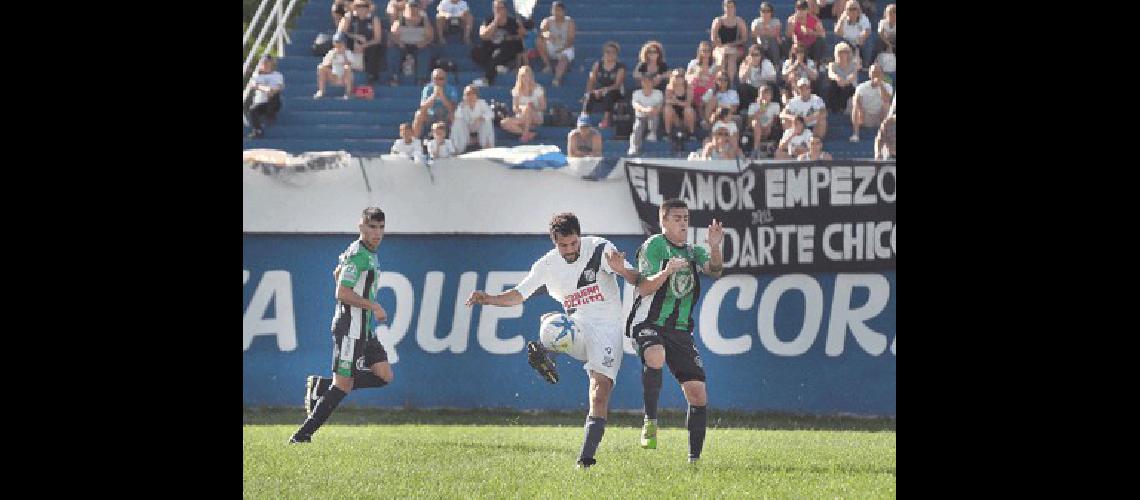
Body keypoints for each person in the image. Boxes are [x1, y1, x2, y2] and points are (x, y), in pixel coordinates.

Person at [465, 213, 641, 468]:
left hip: (607, 330)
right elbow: (518, 295)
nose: (569, 250)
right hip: (577, 327)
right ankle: (548, 352)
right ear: (554, 242)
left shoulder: (601, 248)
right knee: (551, 326)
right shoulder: (547, 265)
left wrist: (622, 269)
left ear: (580, 237)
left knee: (599, 394)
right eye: (563, 245)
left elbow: (637, 280)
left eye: (573, 244)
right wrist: (488, 298)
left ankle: (586, 459)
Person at [627, 199, 723, 463]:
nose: (683, 223)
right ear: (664, 221)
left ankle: (694, 460)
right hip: (650, 322)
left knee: (697, 393)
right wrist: (666, 271)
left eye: (686, 218)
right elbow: (643, 288)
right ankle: (650, 420)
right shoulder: (655, 246)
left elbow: (715, 271)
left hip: (680, 330)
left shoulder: (693, 252)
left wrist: (714, 247)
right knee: (655, 355)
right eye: (677, 218)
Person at [290, 207, 393, 444]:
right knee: (343, 386)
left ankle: (323, 386)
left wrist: (366, 306)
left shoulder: (367, 251)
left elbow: (337, 272)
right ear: (361, 227)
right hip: (350, 329)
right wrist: (373, 306)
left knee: (384, 375)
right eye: (371, 227)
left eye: (381, 227)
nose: (377, 233)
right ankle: (301, 436)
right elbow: (342, 292)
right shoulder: (359, 254)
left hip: (365, 329)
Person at [473, 0, 527, 86]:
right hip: (491, 48)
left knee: (508, 48)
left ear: (505, 9)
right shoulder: (489, 20)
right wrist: (495, 23)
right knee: (476, 52)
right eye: (496, 8)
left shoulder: (512, 21)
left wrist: (512, 36)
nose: (498, 11)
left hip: (506, 50)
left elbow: (523, 34)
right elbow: (483, 35)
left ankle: (488, 79)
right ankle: (500, 67)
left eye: (500, 8)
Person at [390, 0, 435, 86]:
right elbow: (393, 35)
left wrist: (424, 42)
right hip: (403, 45)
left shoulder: (424, 21)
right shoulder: (399, 20)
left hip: (419, 45)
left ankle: (421, 78)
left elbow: (430, 36)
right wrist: (399, 42)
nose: (412, 10)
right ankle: (394, 76)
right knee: (393, 52)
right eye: (410, 7)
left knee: (425, 52)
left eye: (415, 7)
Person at [340, 0, 386, 84]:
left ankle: (371, 76)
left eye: (364, 6)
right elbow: (341, 33)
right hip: (352, 42)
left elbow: (377, 39)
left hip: (369, 44)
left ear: (368, 8)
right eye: (358, 6)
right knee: (342, 41)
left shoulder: (374, 19)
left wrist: (364, 45)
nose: (361, 9)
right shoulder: (349, 17)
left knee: (375, 48)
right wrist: (356, 37)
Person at [585, 41, 627, 129]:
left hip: (615, 91)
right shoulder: (598, 65)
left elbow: (617, 85)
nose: (610, 54)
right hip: (599, 90)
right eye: (608, 52)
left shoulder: (620, 67)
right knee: (590, 96)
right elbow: (591, 80)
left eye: (613, 52)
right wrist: (590, 92)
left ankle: (606, 119)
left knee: (609, 95)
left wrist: (605, 90)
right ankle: (584, 118)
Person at [500, 66, 546, 143]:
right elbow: (515, 108)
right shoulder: (516, 90)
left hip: (536, 116)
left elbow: (543, 106)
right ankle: (527, 133)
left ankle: (525, 136)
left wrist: (533, 107)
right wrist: (522, 108)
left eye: (528, 75)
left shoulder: (538, 89)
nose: (526, 78)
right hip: (522, 116)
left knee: (528, 108)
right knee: (503, 123)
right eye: (523, 76)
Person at [537, 1, 576, 87]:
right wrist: (547, 35)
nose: (557, 13)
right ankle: (548, 65)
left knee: (564, 58)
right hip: (552, 46)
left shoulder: (570, 22)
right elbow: (541, 32)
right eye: (555, 10)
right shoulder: (547, 21)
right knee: (539, 41)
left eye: (559, 10)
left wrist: (562, 49)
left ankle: (557, 78)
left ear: (563, 11)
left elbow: (571, 40)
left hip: (565, 47)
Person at [849, 63, 892, 142]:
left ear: (882, 75)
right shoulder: (861, 87)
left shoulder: (887, 86)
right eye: (874, 73)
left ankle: (886, 135)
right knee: (855, 106)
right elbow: (856, 100)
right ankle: (855, 134)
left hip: (880, 116)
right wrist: (861, 111)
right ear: (869, 74)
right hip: (865, 116)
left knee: (887, 106)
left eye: (878, 73)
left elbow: (887, 99)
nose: (876, 75)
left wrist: (881, 86)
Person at [413, 68, 459, 138]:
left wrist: (442, 96)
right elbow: (422, 107)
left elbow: (452, 108)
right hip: (431, 115)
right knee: (418, 114)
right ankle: (414, 141)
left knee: (455, 115)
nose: (438, 81)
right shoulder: (427, 88)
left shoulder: (451, 89)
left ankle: (455, 140)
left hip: (446, 115)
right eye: (435, 78)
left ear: (445, 79)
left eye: (441, 78)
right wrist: (434, 96)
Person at [710, 0, 748, 85]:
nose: (729, 9)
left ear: (735, 8)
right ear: (724, 8)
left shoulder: (739, 21)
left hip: (735, 48)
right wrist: (721, 46)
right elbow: (713, 38)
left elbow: (744, 38)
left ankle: (729, 84)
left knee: (731, 58)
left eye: (731, 7)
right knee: (722, 58)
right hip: (720, 48)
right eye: (727, 6)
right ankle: (720, 82)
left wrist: (732, 44)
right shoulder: (718, 20)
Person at [246, 55, 284, 139]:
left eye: (268, 63)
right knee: (252, 110)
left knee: (275, 95)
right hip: (260, 103)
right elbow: (253, 85)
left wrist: (270, 91)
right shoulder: (256, 76)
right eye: (264, 63)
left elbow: (279, 87)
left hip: (273, 101)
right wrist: (265, 89)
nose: (266, 65)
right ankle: (258, 130)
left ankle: (271, 115)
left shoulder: (278, 75)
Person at [451, 84, 496, 153]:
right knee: (457, 122)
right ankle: (458, 149)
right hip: (466, 129)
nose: (470, 96)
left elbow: (491, 114)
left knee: (487, 121)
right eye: (467, 94)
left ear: (476, 95)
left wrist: (481, 118)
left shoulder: (482, 103)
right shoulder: (461, 105)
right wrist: (462, 106)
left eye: (473, 93)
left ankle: (487, 147)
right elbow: (457, 117)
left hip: (479, 128)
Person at [629, 73, 664, 155]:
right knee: (637, 127)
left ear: (653, 83)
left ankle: (652, 133)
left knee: (654, 118)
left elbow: (659, 106)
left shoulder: (658, 93)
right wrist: (645, 110)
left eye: (649, 81)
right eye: (644, 81)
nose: (647, 84)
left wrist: (651, 110)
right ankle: (634, 147)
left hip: (654, 115)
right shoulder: (636, 93)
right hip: (640, 117)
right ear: (641, 83)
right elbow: (636, 105)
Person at [685, 41, 720, 124]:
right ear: (699, 51)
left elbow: (715, 80)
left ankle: (705, 120)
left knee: (712, 96)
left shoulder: (715, 65)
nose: (706, 53)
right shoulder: (693, 63)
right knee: (692, 82)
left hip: (708, 90)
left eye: (708, 51)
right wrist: (697, 75)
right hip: (695, 88)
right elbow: (687, 77)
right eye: (703, 50)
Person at [736, 43, 777, 112]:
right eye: (752, 55)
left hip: (764, 88)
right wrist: (749, 66)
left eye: (756, 55)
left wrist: (762, 77)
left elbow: (773, 78)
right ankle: (746, 109)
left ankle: (769, 107)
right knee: (742, 88)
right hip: (752, 89)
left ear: (761, 56)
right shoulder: (745, 63)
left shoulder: (766, 63)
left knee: (773, 86)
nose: (754, 57)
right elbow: (742, 80)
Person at [315, 33, 355, 99]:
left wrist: (344, 55)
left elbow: (350, 65)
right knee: (320, 67)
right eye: (336, 43)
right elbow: (325, 65)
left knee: (347, 67)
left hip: (343, 77)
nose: (338, 45)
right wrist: (333, 57)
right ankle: (321, 91)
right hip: (333, 77)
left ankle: (348, 93)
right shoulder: (331, 52)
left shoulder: (348, 53)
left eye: (340, 43)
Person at [786, 0, 826, 65]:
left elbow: (823, 34)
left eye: (803, 9)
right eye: (799, 9)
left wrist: (811, 32)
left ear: (807, 10)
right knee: (786, 41)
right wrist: (793, 26)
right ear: (795, 9)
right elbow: (788, 35)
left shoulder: (813, 19)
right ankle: (790, 62)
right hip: (798, 45)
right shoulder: (791, 20)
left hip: (810, 46)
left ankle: (817, 63)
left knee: (820, 40)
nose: (801, 11)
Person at [833, 0, 872, 66]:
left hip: (859, 41)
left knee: (868, 41)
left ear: (859, 10)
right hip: (847, 42)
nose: (853, 11)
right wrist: (842, 19)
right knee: (839, 41)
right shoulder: (843, 19)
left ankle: (866, 64)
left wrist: (862, 37)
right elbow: (837, 32)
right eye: (850, 9)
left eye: (855, 9)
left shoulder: (863, 18)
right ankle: (841, 63)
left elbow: (867, 30)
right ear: (846, 11)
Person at [826, 42, 860, 113]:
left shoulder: (853, 65)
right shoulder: (832, 65)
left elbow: (853, 76)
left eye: (845, 52)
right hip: (838, 84)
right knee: (832, 85)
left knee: (847, 87)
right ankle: (831, 109)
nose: (842, 54)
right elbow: (831, 74)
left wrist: (844, 81)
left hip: (849, 87)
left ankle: (842, 108)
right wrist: (837, 78)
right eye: (840, 52)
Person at [663, 69, 696, 139]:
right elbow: (667, 102)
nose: (678, 78)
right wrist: (679, 102)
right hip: (675, 117)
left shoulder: (689, 87)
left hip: (687, 116)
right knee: (667, 109)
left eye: (681, 76)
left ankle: (692, 133)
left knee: (688, 110)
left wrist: (676, 101)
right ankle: (668, 133)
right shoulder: (669, 88)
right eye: (676, 76)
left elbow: (688, 104)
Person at [750, 2, 783, 71]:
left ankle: (776, 67)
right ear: (760, 12)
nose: (765, 13)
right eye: (763, 11)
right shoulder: (756, 22)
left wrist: (762, 31)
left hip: (773, 45)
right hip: (759, 44)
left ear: (771, 12)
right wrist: (767, 31)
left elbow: (776, 34)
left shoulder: (776, 21)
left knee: (772, 41)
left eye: (768, 11)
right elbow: (754, 34)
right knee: (760, 41)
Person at [873, 4, 895, 70]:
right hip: (884, 42)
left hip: (894, 41)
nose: (893, 15)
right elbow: (880, 33)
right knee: (877, 41)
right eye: (890, 13)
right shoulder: (883, 22)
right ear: (886, 14)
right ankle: (873, 63)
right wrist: (889, 44)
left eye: (894, 12)